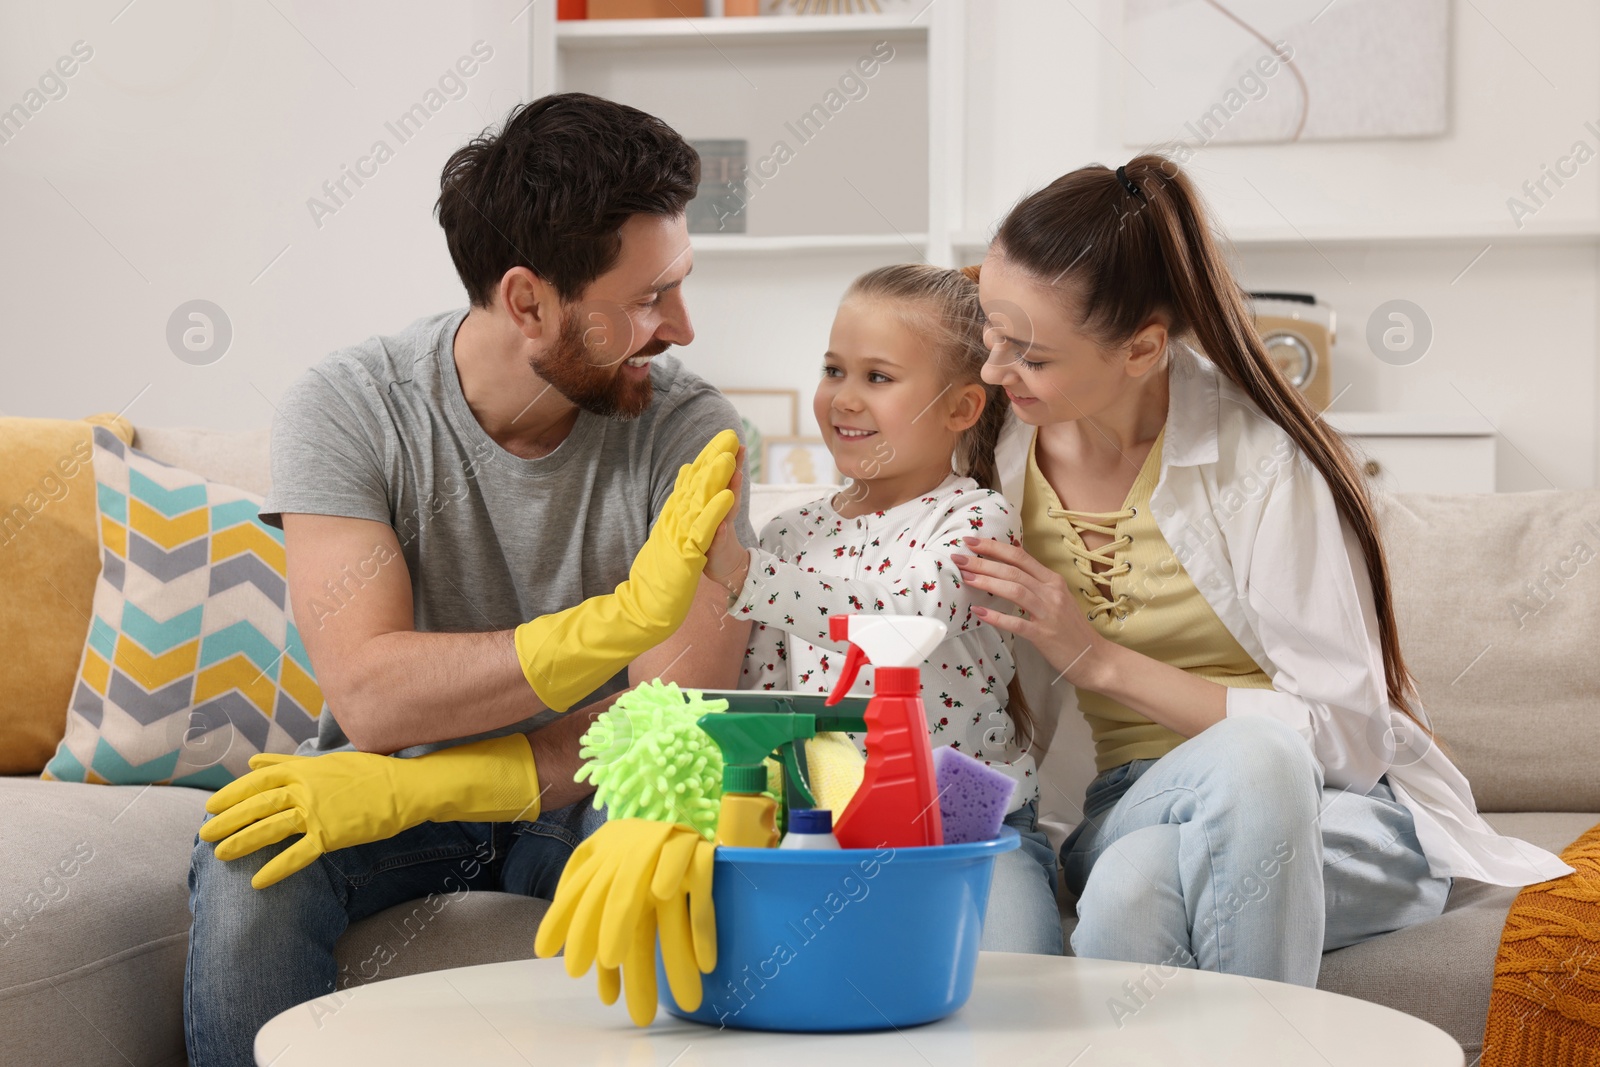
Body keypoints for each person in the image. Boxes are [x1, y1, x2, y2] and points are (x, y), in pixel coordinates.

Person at [183, 93, 755, 1067]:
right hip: (385, 797)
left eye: (680, 283)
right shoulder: (353, 407)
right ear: (528, 300)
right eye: (650, 296)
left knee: (672, 845)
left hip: (594, 796)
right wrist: (616, 624)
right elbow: (370, 694)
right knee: (248, 866)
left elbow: (675, 728)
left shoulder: (690, 433)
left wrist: (449, 777)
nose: (684, 327)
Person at [951, 155, 1573, 985]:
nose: (994, 371)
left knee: (1147, 877)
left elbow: (1349, 738)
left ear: (1141, 349)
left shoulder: (1264, 461)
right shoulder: (999, 450)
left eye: (1030, 354)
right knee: (1168, 833)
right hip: (1133, 801)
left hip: (1336, 812)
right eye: (992, 332)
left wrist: (1097, 658)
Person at [703, 263, 1062, 955]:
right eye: (834, 369)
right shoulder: (789, 537)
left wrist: (750, 576)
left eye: (876, 377)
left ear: (961, 409)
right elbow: (769, 700)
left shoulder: (975, 519)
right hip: (828, 838)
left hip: (974, 835)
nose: (843, 397)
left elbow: (906, 616)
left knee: (1021, 993)